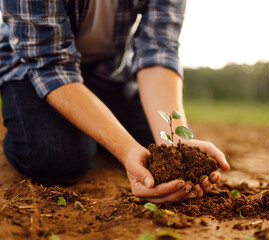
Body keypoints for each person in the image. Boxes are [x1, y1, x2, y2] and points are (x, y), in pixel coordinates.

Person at [0, 0, 230, 203]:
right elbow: (50, 64)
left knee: (157, 142)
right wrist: (125, 148)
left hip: (109, 72)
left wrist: (177, 143)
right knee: (55, 155)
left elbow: (158, 50)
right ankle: (91, 136)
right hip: (31, 69)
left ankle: (96, 131)